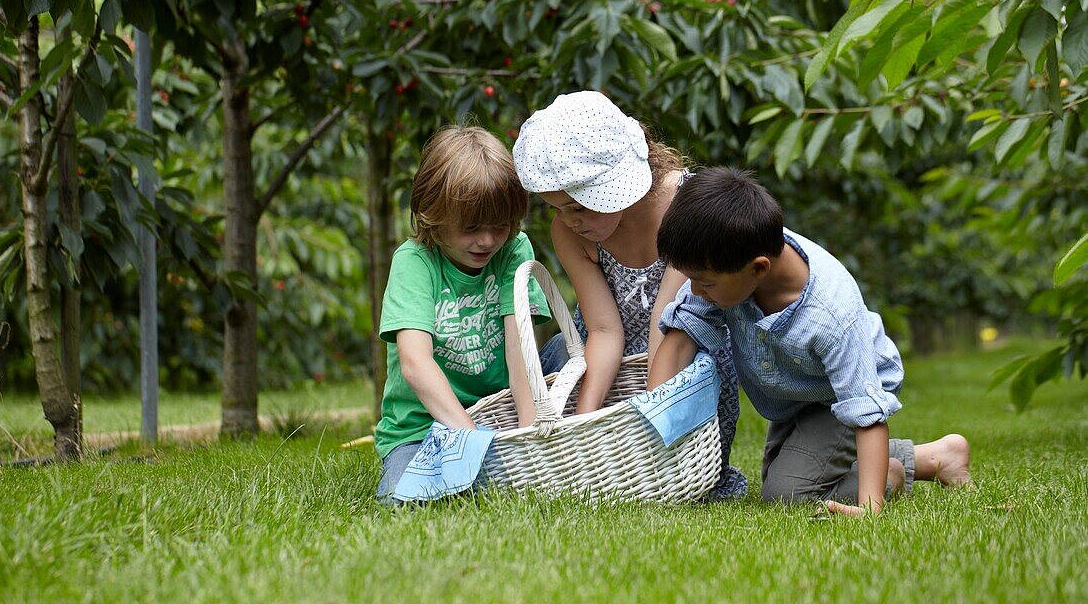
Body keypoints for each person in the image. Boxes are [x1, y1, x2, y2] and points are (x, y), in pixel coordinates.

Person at [648, 167, 972, 515]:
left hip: (837, 395)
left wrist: (871, 509)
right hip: (795, 393)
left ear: (758, 269)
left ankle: (890, 475)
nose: (695, 291)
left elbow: (866, 413)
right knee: (781, 475)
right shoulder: (730, 254)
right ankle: (932, 457)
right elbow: (683, 334)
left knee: (785, 494)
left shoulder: (832, 314)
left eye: (705, 283)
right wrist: (654, 422)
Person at [374, 126, 551, 499]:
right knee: (404, 496)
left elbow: (520, 348)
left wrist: (529, 438)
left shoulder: (514, 249)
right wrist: (472, 442)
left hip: (500, 412)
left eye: (499, 226)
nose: (487, 240)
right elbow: (414, 363)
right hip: (423, 429)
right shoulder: (414, 263)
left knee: (568, 352)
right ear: (432, 216)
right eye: (471, 228)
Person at [512, 91, 691, 413]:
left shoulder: (684, 207)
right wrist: (587, 415)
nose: (570, 221)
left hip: (681, 357)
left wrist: (652, 412)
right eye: (557, 209)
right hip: (604, 366)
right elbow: (604, 330)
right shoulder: (570, 232)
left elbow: (666, 321)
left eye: (579, 207)